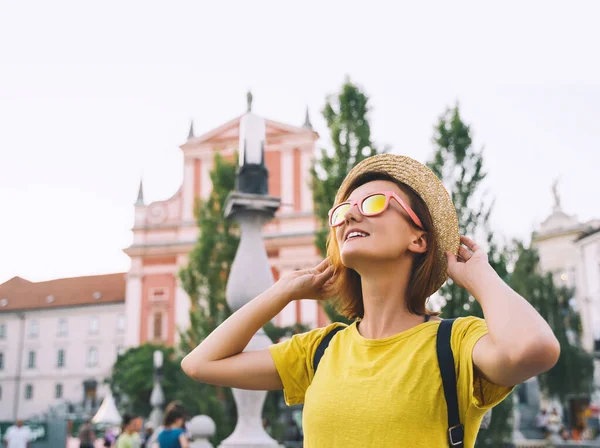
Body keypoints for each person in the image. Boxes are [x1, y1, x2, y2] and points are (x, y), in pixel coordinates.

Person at [181, 154, 562, 447]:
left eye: (374, 203)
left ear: (419, 239)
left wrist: (479, 275)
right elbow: (200, 363)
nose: (350, 217)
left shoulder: (456, 343)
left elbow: (534, 348)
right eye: (343, 211)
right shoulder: (320, 349)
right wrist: (284, 291)